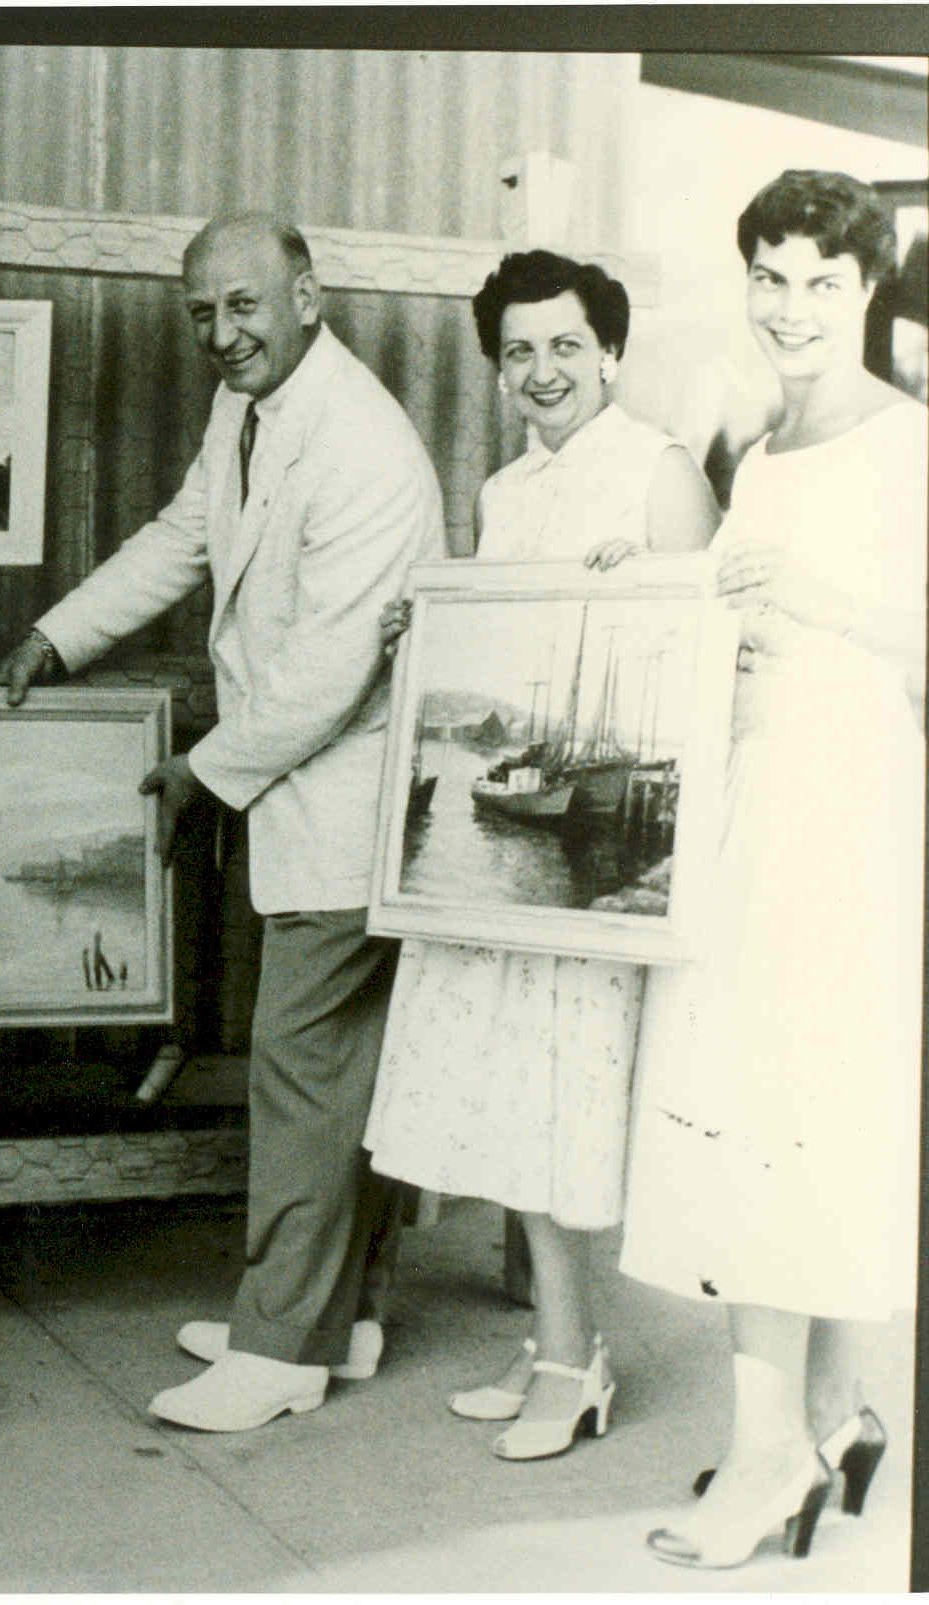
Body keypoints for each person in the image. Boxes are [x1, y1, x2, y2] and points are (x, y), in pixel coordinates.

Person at [0, 211, 445, 1432]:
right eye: (199, 313)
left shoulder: (360, 444)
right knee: (328, 1079)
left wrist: (202, 770)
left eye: (241, 306)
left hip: (346, 802)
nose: (219, 334)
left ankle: (276, 1350)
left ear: (306, 294)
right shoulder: (251, 409)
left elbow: (329, 671)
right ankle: (332, 1323)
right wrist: (57, 633)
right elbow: (186, 534)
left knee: (300, 1078)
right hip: (303, 795)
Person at [361, 251, 719, 1461]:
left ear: (608, 351)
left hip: (611, 895)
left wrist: (656, 595)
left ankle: (575, 1359)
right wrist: (430, 622)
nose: (541, 371)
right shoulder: (506, 490)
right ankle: (554, 1341)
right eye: (517, 351)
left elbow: (714, 654)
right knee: (511, 1092)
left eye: (564, 345)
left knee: (558, 1095)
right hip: (526, 904)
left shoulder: (658, 467)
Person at [619, 170, 924, 1569]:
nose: (790, 306)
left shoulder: (902, 447)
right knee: (763, 1118)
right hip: (755, 807)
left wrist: (817, 608)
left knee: (785, 1124)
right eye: (770, 275)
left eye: (822, 281)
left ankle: (764, 1463)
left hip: (840, 824)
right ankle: (831, 1417)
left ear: (865, 291)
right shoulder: (757, 440)